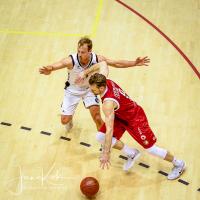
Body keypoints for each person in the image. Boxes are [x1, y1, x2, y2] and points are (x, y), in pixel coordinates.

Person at [39, 36, 150, 132]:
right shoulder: (71, 60)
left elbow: (116, 63)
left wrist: (134, 63)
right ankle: (70, 117)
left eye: (83, 52)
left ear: (90, 51)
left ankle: (104, 142)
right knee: (64, 121)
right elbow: (55, 65)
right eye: (78, 51)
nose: (80, 54)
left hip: (89, 90)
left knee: (97, 117)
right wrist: (49, 69)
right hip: (72, 90)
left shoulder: (97, 59)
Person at [88, 73, 186, 180]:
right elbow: (103, 64)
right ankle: (132, 153)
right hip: (120, 116)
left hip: (135, 118)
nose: (91, 91)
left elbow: (110, 129)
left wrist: (106, 153)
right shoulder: (106, 80)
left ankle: (179, 164)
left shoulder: (108, 104)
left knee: (151, 149)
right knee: (100, 137)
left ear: (101, 88)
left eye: (93, 90)